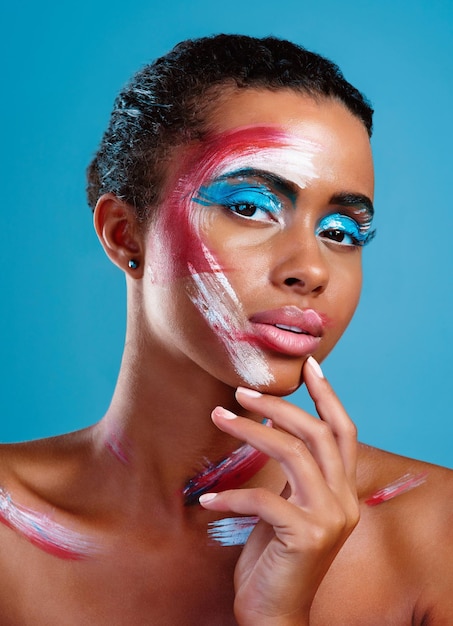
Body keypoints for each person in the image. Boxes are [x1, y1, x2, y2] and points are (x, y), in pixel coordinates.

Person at [0, 34, 452, 625]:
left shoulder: (434, 533)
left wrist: (278, 618)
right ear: (124, 233)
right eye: (250, 207)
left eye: (341, 230)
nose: (311, 270)